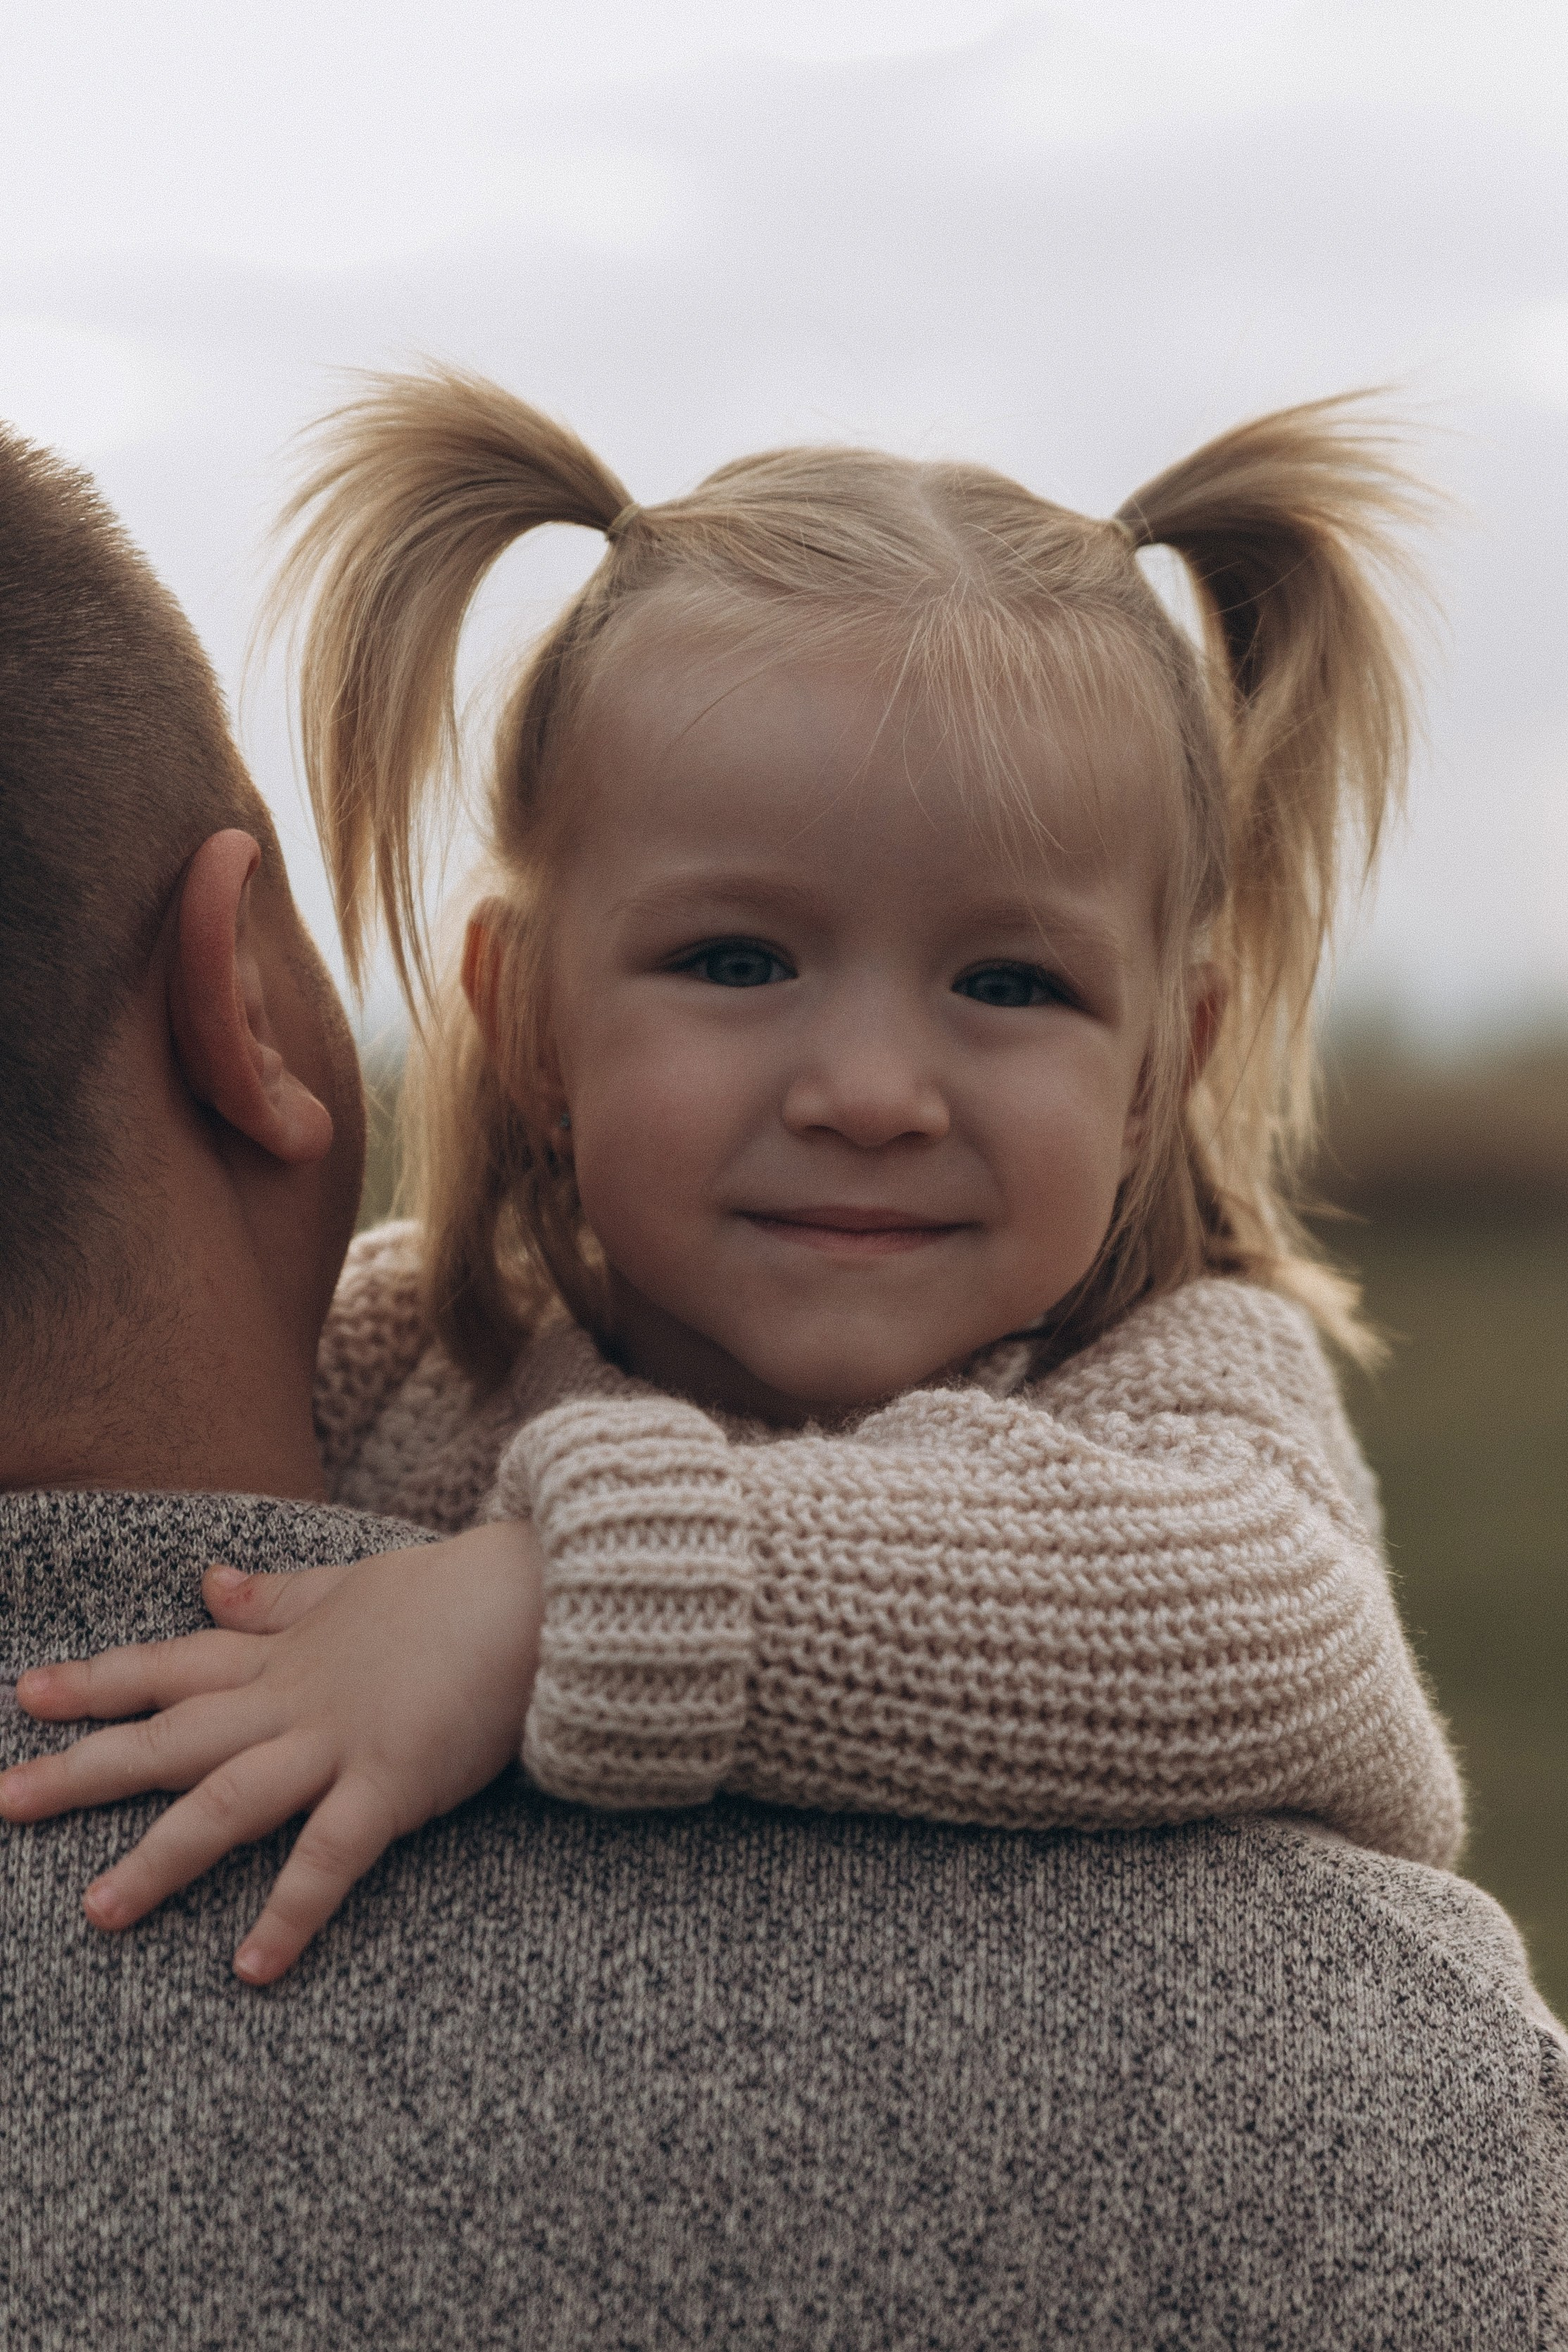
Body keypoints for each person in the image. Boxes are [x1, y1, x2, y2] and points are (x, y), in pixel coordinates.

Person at [1, 424, 1567, 2347]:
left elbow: (1280, 1625)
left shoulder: (1174, 1386)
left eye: (1008, 986)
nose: (869, 1088)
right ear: (531, 1017)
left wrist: (542, 1598)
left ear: (1170, 1056)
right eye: (739, 958)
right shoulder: (418, 1351)